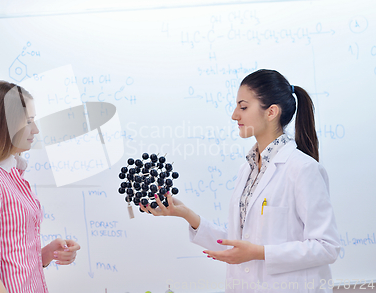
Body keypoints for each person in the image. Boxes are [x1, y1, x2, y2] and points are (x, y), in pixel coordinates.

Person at [141, 69, 340, 292]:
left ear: (271, 112)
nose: (235, 115)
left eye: (243, 107)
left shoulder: (302, 169)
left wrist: (259, 253)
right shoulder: (247, 170)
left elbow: (327, 247)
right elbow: (241, 242)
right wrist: (187, 214)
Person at [0, 81, 80, 293]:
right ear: (4, 124)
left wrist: (47, 253)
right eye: (28, 122)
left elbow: (14, 258)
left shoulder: (12, 174)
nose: (35, 130)